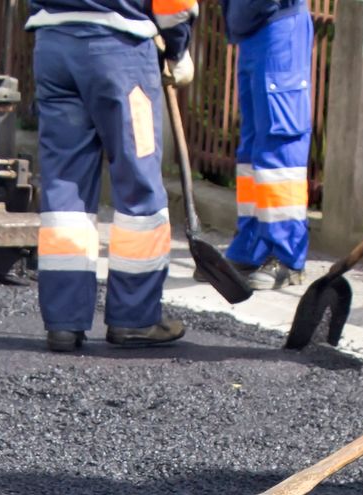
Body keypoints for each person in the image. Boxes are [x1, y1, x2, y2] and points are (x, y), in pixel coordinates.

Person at [28, 0, 200, 352]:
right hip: (119, 51)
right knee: (138, 183)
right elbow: (175, 5)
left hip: (53, 47)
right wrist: (178, 50)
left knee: (64, 186)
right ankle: (134, 319)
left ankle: (63, 321)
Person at [222, 0, 315, 291]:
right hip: (253, 27)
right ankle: (252, 246)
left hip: (278, 26)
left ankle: (287, 258)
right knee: (252, 149)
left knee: (279, 144)